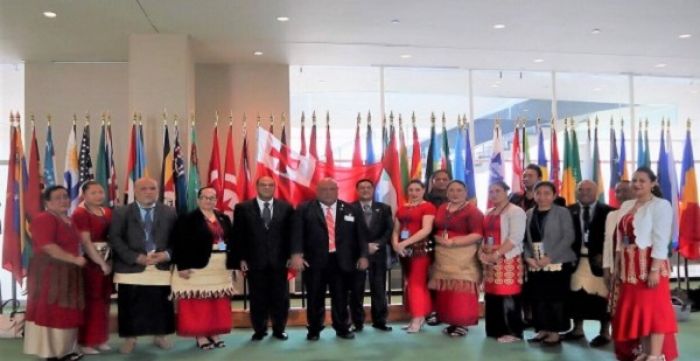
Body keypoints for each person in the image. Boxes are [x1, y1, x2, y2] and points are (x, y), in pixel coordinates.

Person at [611, 167, 678, 361]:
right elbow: (620, 238)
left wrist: (654, 270)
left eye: (642, 180)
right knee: (639, 312)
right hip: (629, 267)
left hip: (650, 264)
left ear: (653, 183)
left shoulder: (661, 205)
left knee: (656, 311)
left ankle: (656, 355)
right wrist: (617, 265)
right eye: (634, 180)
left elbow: (660, 239)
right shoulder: (626, 205)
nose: (637, 184)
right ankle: (647, 351)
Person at [291, 178, 369, 341]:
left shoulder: (350, 209)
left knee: (340, 297)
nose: (327, 192)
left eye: (331, 189)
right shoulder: (304, 208)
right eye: (323, 189)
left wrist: (363, 256)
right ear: (317, 191)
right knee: (314, 297)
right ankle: (314, 329)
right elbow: (296, 233)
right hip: (314, 262)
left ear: (337, 190)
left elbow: (361, 236)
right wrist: (297, 254)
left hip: (341, 261)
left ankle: (342, 328)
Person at [109, 177, 178, 354]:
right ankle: (130, 338)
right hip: (131, 266)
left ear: (157, 191)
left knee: (161, 304)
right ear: (136, 192)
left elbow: (177, 239)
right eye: (143, 189)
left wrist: (167, 255)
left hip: (160, 265)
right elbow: (115, 239)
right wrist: (135, 257)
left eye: (152, 188)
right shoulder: (121, 212)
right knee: (130, 305)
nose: (148, 192)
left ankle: (160, 335)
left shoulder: (170, 212)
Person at [24, 185, 87, 361]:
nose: (64, 200)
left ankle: (66, 350)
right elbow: (48, 247)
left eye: (66, 197)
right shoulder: (43, 219)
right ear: (47, 202)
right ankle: (51, 353)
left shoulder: (68, 219)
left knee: (67, 311)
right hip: (50, 274)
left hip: (68, 272)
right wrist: (74, 260)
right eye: (58, 197)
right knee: (52, 310)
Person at [231, 176, 295, 341]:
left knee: (280, 298)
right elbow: (238, 236)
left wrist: (290, 256)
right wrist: (242, 259)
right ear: (256, 186)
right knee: (257, 297)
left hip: (279, 261)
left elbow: (291, 235)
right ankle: (259, 329)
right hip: (254, 261)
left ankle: (279, 329)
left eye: (270, 185)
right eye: (263, 185)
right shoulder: (242, 208)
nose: (267, 187)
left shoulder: (286, 207)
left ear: (274, 187)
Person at [171, 186, 234, 350]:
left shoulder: (223, 218)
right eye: (205, 197)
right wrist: (182, 266)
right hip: (196, 266)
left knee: (217, 301)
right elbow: (179, 244)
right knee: (198, 301)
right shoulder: (187, 219)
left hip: (219, 267)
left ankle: (214, 332)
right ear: (198, 200)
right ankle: (200, 335)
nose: (209, 200)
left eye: (212, 198)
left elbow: (230, 241)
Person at [523, 181, 576, 346]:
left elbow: (568, 237)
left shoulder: (562, 212)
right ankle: (542, 330)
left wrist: (549, 257)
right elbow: (525, 240)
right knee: (538, 298)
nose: (542, 197)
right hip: (535, 264)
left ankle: (554, 332)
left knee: (555, 298)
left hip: (558, 263)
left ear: (554, 195)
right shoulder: (529, 213)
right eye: (538, 193)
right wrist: (527, 257)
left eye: (547, 193)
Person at [430, 180, 484, 337]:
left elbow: (477, 234)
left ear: (466, 192)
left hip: (464, 255)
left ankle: (462, 323)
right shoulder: (441, 208)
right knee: (447, 290)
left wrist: (453, 242)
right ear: (447, 193)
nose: (455, 193)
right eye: (452, 190)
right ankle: (451, 321)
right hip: (443, 256)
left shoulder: (473, 211)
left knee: (462, 290)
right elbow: (437, 227)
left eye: (459, 190)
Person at [564, 180, 614, 347]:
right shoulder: (568, 211)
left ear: (597, 191)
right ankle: (577, 329)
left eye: (588, 189)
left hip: (600, 263)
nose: (584, 192)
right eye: (581, 189)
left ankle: (604, 332)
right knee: (576, 296)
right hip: (575, 262)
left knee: (602, 299)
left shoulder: (609, 212)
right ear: (576, 191)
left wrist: (608, 258)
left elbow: (614, 240)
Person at [479, 181, 526, 343]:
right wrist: (482, 253)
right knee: (492, 295)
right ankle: (495, 329)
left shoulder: (516, 211)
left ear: (506, 192)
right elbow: (484, 236)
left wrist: (498, 254)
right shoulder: (488, 211)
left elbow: (515, 237)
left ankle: (513, 332)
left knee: (508, 295)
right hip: (490, 260)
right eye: (491, 191)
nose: (494, 194)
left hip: (508, 259)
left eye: (497, 191)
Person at [71, 181, 113, 355]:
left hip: (108, 259)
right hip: (90, 263)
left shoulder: (108, 212)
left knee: (104, 300)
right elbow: (86, 242)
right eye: (93, 193)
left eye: (100, 192)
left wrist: (109, 261)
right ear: (85, 195)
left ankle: (100, 338)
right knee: (91, 301)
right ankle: (85, 341)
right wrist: (100, 263)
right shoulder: (80, 213)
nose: (98, 195)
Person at [349, 179, 394, 332]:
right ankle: (357, 322)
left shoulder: (384, 208)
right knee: (356, 290)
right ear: (357, 190)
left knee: (379, 289)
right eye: (362, 187)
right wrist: (363, 246)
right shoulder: (349, 208)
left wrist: (377, 245)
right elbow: (345, 233)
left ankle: (380, 321)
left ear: (373, 190)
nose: (365, 190)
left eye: (368, 187)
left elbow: (389, 230)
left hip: (378, 254)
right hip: (356, 255)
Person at [393, 180, 436, 333]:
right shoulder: (402, 208)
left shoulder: (428, 207)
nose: (414, 193)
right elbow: (396, 230)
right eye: (411, 190)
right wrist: (395, 244)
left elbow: (426, 230)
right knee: (409, 283)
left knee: (415, 284)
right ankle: (418, 316)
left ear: (423, 191)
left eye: (417, 189)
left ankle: (418, 317)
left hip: (420, 251)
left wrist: (405, 243)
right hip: (404, 252)